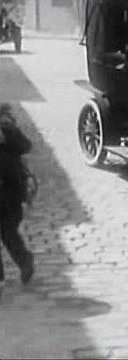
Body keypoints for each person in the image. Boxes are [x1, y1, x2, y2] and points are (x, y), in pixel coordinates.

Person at [0, 103, 34, 296]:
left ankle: (25, 261)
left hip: (9, 192)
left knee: (8, 233)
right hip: (10, 191)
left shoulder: (8, 132)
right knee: (7, 232)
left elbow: (26, 146)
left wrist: (8, 133)